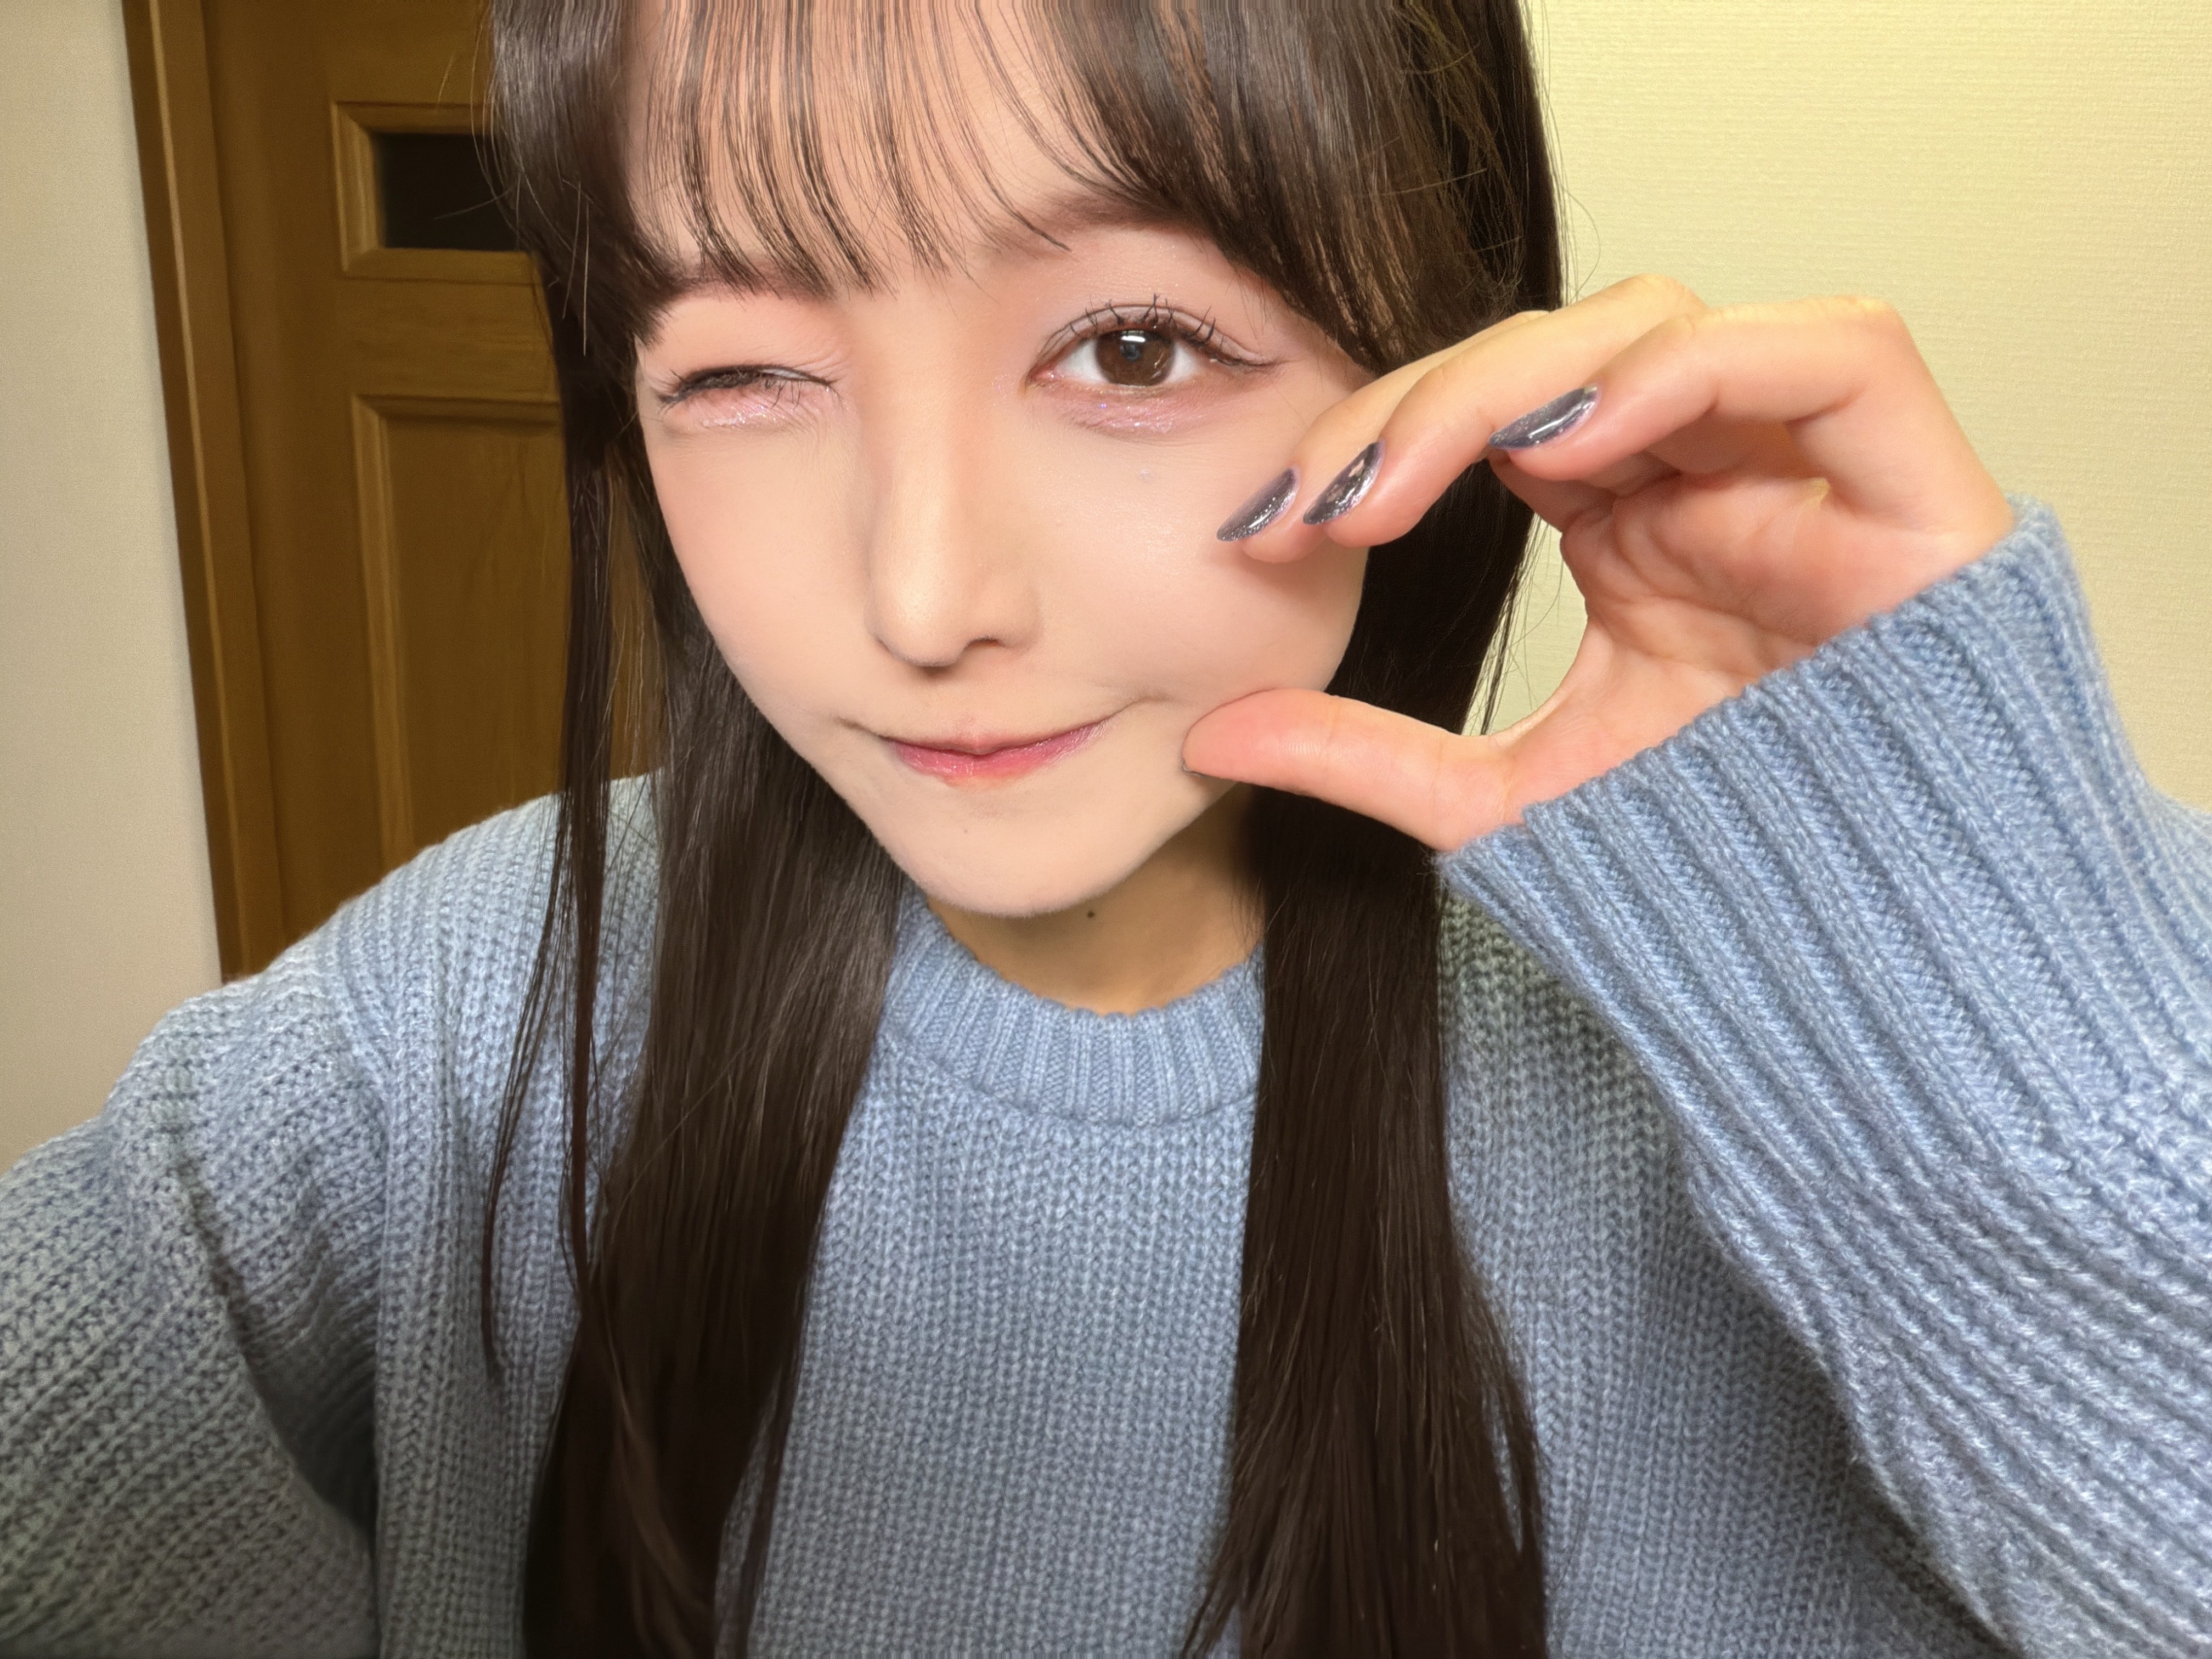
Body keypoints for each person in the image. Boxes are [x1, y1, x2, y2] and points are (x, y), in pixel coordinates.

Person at [3, 0, 2208, 1653]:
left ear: (1431, 345)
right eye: (743, 372)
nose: (922, 598)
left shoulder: (1831, 1044)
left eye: (1134, 349)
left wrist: (1977, 957)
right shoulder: (456, 1026)